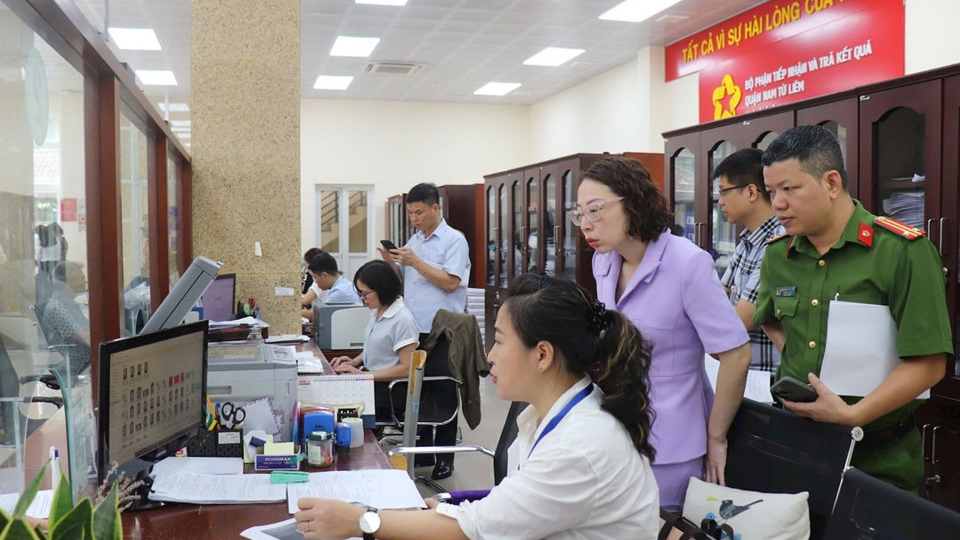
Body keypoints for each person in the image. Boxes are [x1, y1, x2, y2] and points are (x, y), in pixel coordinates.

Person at [295, 274, 660, 540]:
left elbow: (475, 529)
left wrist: (359, 520)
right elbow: (510, 505)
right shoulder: (554, 415)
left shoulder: (579, 446)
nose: (489, 356)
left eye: (500, 342)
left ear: (543, 354)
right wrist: (448, 508)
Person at [755, 125, 951, 491]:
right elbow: (770, 319)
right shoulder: (778, 255)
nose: (777, 204)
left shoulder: (900, 252)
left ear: (831, 183)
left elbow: (929, 362)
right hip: (797, 446)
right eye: (770, 192)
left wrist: (852, 414)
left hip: (878, 458)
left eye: (789, 189)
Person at [575, 156, 751, 508]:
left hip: (672, 440)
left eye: (595, 210)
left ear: (633, 201)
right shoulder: (604, 262)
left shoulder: (687, 263)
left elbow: (736, 354)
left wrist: (716, 436)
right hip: (615, 427)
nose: (585, 224)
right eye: (579, 215)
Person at [379, 182, 470, 479]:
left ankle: (446, 457)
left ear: (435, 207)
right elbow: (406, 280)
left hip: (443, 329)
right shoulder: (414, 240)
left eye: (419, 212)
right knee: (418, 390)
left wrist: (416, 261)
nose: (414, 218)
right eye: (411, 213)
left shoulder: (454, 240)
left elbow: (450, 282)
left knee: (443, 389)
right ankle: (424, 451)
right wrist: (390, 261)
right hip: (414, 329)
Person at [714, 148, 784, 374]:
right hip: (739, 371)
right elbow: (715, 297)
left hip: (763, 381)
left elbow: (739, 323)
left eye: (724, 192)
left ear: (752, 192)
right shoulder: (747, 240)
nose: (720, 202)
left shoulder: (776, 242)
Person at [329, 260, 419, 419]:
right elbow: (376, 347)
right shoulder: (378, 312)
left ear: (382, 289)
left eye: (364, 294)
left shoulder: (402, 320)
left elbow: (407, 369)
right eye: (359, 293)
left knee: (336, 406)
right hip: (372, 382)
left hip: (389, 391)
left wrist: (362, 375)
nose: (362, 299)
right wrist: (354, 362)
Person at [42, 261, 91, 374]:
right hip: (78, 366)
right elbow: (84, 338)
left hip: (88, 361)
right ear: (65, 283)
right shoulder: (57, 308)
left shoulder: (71, 304)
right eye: (79, 278)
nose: (85, 282)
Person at [300, 251, 360, 322]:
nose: (315, 282)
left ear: (324, 275)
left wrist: (301, 313)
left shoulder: (339, 292)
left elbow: (322, 315)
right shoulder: (343, 284)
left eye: (315, 278)